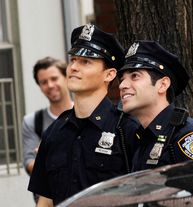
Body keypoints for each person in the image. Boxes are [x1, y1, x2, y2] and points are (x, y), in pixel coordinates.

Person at [28, 24, 139, 206]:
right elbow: (46, 201)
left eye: (85, 62)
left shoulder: (127, 130)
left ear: (109, 74)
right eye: (73, 60)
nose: (73, 68)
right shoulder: (54, 132)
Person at [118, 40, 193, 171]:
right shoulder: (141, 137)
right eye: (122, 79)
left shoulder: (188, 135)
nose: (122, 85)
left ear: (162, 85)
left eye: (135, 76)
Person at [22, 56, 73, 202]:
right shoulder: (32, 121)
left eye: (54, 78)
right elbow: (29, 162)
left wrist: (46, 156)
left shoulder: (86, 114)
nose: (50, 85)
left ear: (66, 77)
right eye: (44, 82)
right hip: (48, 199)